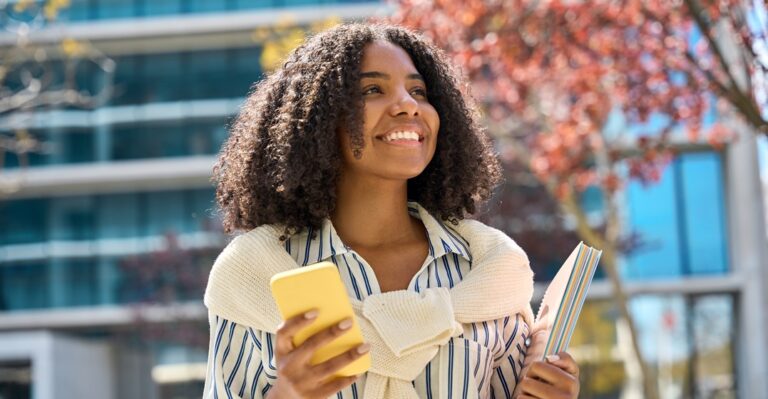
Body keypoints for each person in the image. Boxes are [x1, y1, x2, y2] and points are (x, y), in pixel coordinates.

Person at [203, 23, 580, 399]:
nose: (408, 105)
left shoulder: (488, 273)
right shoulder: (254, 276)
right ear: (317, 119)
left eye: (419, 91)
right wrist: (287, 394)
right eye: (372, 90)